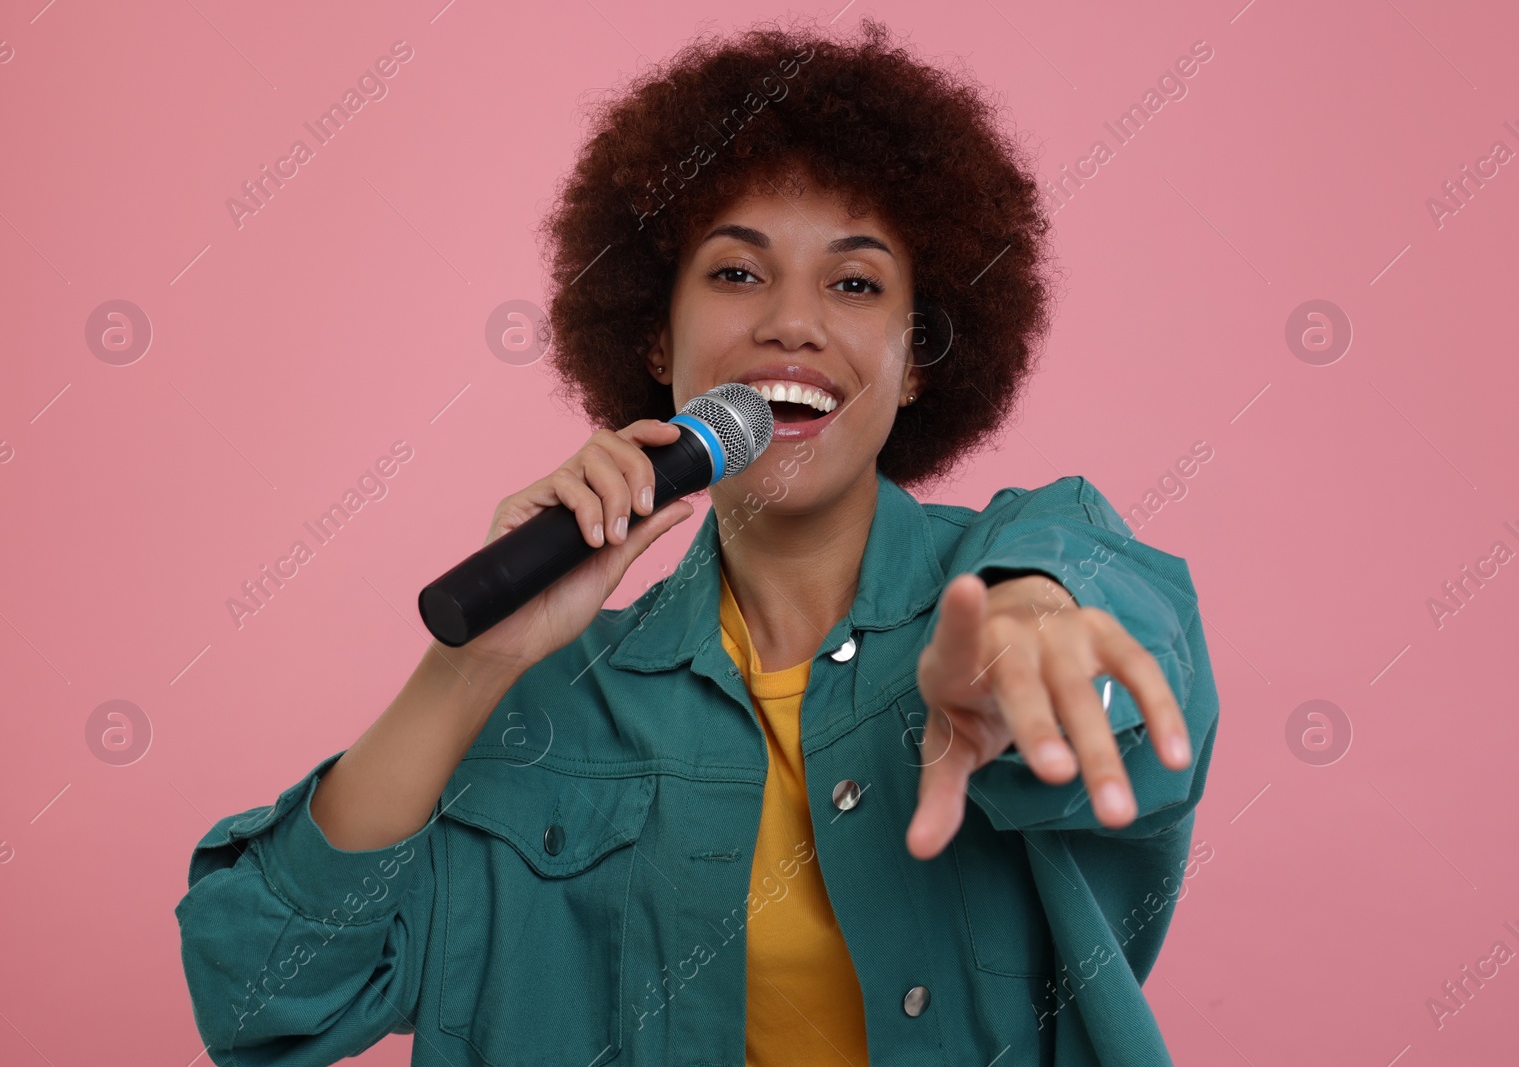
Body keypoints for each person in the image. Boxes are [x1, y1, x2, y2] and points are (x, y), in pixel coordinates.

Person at [176, 16, 1217, 1067]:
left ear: (919, 362)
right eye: (735, 273)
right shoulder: (542, 702)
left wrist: (1024, 633)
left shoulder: (1027, 561)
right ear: (653, 334)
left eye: (855, 283)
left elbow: (1108, 654)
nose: (791, 323)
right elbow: (263, 996)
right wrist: (471, 666)